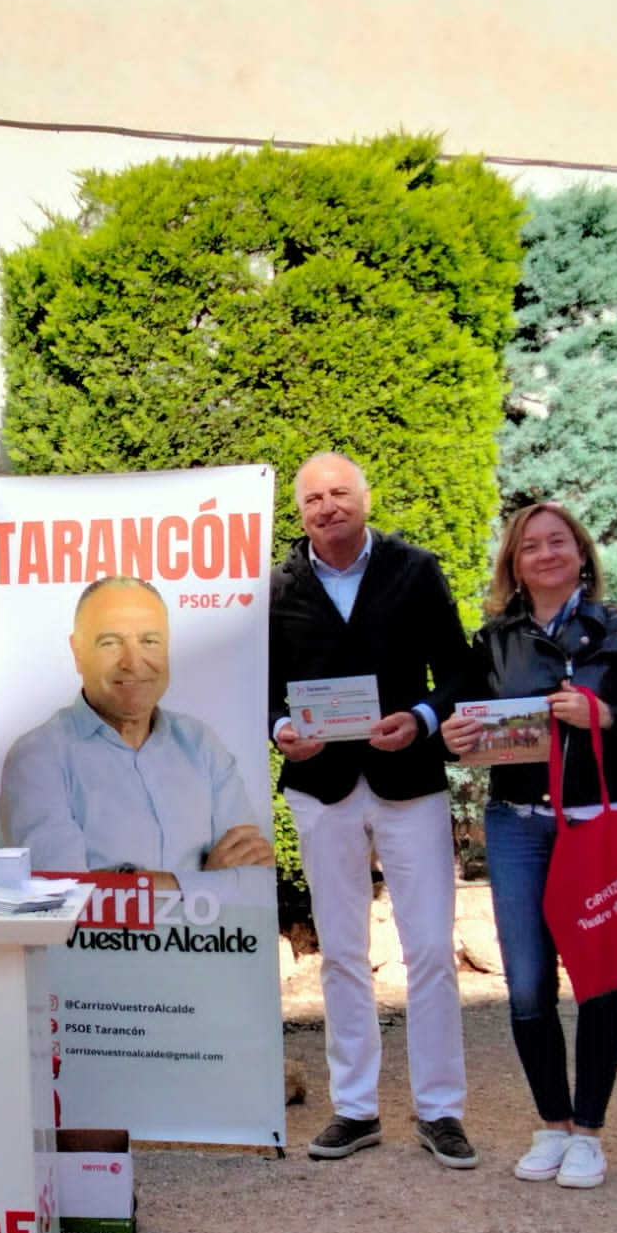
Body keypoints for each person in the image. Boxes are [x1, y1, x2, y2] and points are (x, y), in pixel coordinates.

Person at [442, 502, 617, 1190]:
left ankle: (590, 1133)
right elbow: (470, 720)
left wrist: (608, 716)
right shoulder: (494, 642)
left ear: (581, 552)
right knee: (530, 985)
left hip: (598, 817)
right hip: (517, 823)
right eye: (530, 545)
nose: (545, 554)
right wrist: (456, 737)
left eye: (557, 542)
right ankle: (553, 1124)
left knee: (599, 974)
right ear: (514, 561)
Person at [270, 453, 476, 1169]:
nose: (326, 507)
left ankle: (441, 1109)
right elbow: (266, 688)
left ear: (364, 499)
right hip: (321, 787)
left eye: (338, 494)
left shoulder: (415, 570)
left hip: (408, 780)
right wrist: (280, 732)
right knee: (343, 954)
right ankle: (354, 1108)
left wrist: (421, 717)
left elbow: (458, 670)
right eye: (312, 499)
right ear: (299, 514)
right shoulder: (279, 588)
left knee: (428, 950)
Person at [0, 577, 273, 882]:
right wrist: (204, 884)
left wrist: (128, 880)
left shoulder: (202, 745)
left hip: (220, 932)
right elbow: (66, 892)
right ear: (78, 652)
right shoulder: (37, 757)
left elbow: (251, 873)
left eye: (150, 641)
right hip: (101, 933)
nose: (132, 662)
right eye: (110, 642)